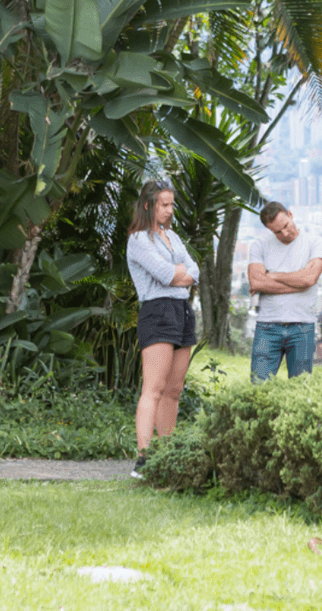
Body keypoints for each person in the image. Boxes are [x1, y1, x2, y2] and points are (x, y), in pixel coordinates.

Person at [125, 179, 199, 478]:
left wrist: (181, 274)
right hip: (157, 310)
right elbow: (167, 274)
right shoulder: (139, 240)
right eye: (163, 205)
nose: (169, 210)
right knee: (153, 389)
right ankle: (143, 458)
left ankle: (166, 453)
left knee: (174, 390)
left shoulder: (173, 237)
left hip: (182, 310)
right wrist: (179, 273)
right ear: (147, 205)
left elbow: (193, 271)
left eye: (171, 204)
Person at [247, 201, 322, 382]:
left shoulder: (315, 242)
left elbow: (309, 279)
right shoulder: (259, 245)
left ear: (290, 215)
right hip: (267, 325)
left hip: (302, 325)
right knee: (259, 388)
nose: (284, 234)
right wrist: (298, 283)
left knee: (300, 390)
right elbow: (257, 282)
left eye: (285, 226)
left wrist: (272, 275)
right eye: (277, 232)